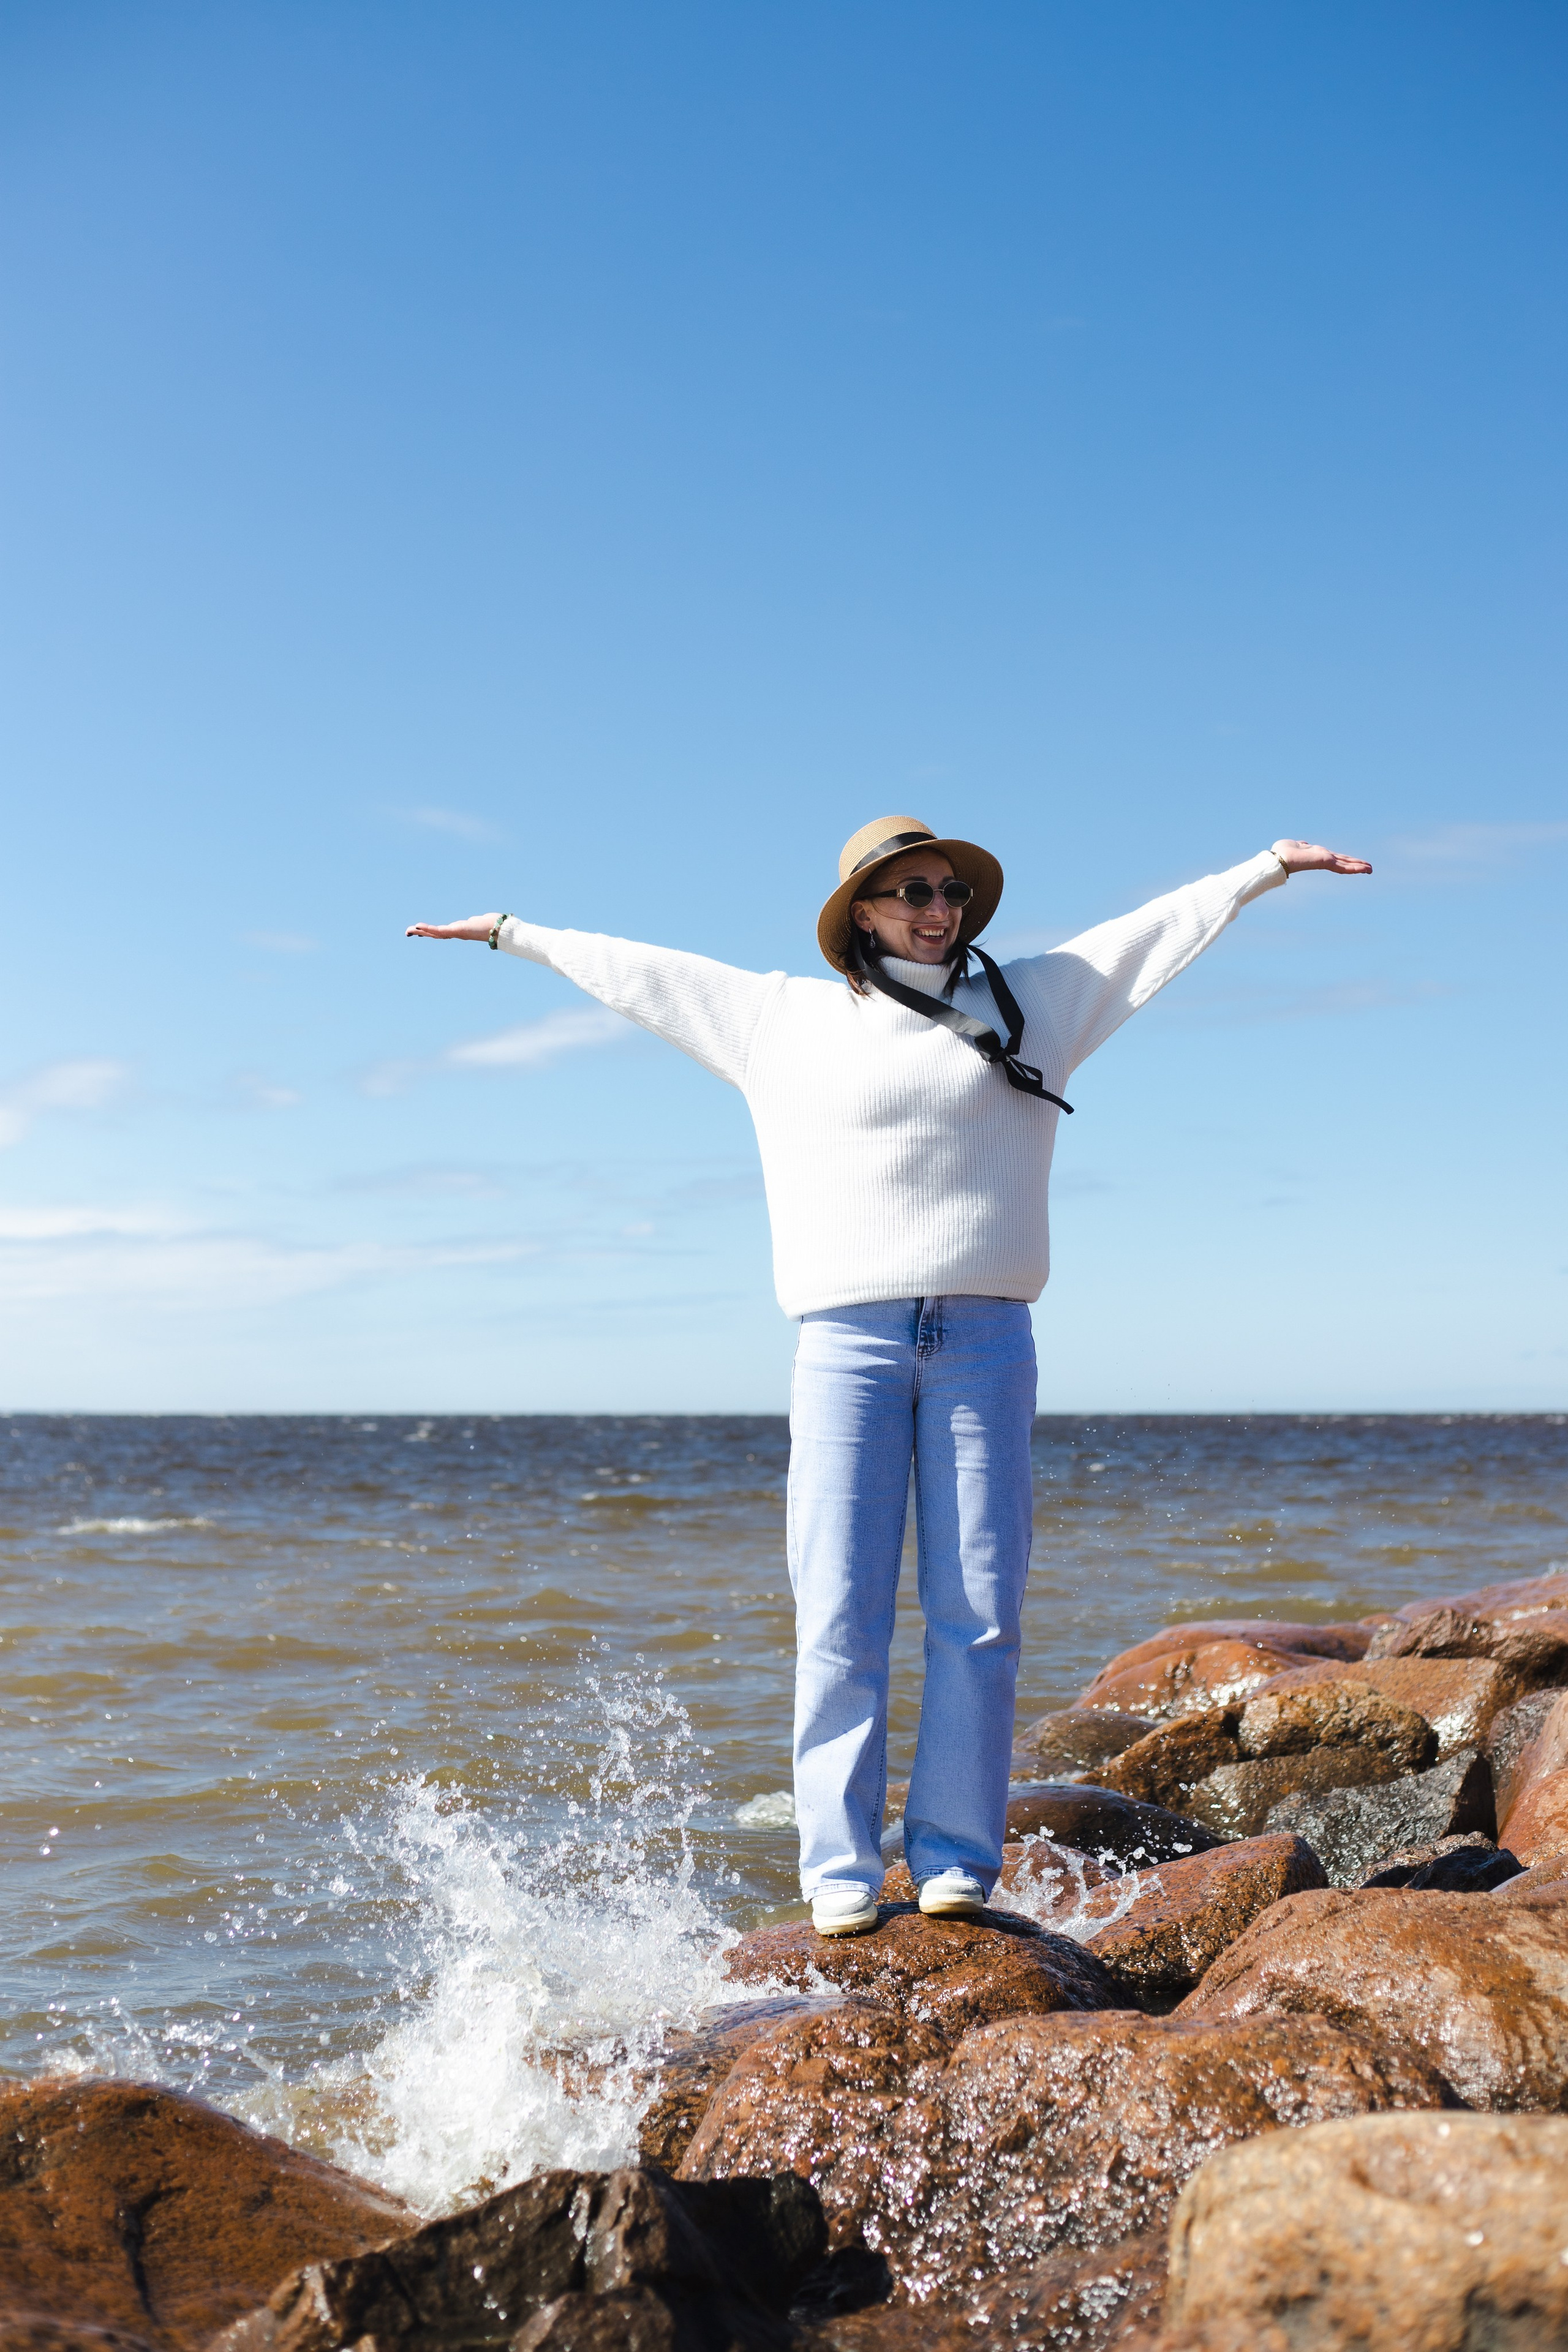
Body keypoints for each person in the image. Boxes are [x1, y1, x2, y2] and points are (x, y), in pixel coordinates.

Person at [409, 818, 1371, 1937]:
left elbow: (1145, 938)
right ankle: (840, 1866)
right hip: (846, 1342)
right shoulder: (781, 1019)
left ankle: (959, 1853)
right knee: (838, 1612)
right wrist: (513, 934)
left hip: (986, 1337)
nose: (938, 906)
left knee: (980, 1610)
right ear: (861, 911)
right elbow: (644, 975)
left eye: (950, 888)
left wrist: (1262, 870)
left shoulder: (1037, 1003)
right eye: (910, 890)